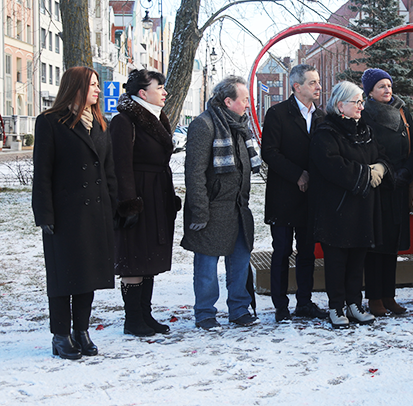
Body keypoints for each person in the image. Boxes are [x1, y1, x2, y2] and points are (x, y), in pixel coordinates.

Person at [32, 66, 117, 359]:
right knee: (62, 276)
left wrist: (114, 207)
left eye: (98, 85)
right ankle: (60, 335)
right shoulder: (51, 122)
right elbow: (41, 173)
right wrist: (44, 214)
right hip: (65, 213)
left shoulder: (99, 124)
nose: (97, 90)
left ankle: (81, 330)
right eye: (92, 85)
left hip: (96, 211)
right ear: (76, 88)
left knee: (88, 275)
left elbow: (109, 172)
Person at [182, 76, 261, 330]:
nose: (248, 104)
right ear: (229, 101)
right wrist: (200, 212)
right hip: (213, 208)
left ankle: (239, 309)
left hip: (237, 208)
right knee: (206, 266)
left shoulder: (239, 127)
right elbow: (194, 173)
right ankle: (205, 313)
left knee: (239, 262)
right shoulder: (204, 125)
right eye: (244, 99)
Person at [109, 69, 181, 337]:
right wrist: (128, 203)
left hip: (156, 194)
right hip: (137, 196)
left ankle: (145, 314)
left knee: (148, 258)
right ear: (142, 93)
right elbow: (120, 164)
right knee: (133, 258)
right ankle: (133, 319)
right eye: (159, 87)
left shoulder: (156, 117)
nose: (164, 92)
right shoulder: (124, 121)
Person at [309, 81, 386, 328]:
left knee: (357, 259)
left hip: (364, 206)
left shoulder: (365, 129)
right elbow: (332, 166)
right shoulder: (326, 131)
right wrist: (365, 174)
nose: (361, 107)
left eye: (362, 101)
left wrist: (381, 168)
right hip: (338, 209)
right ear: (341, 105)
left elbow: (379, 153)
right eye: (357, 102)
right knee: (337, 261)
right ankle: (336, 306)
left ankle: (354, 303)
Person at [261, 64, 329, 322]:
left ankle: (304, 302)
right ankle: (280, 306)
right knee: (281, 251)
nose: (318, 87)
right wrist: (297, 174)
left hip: (311, 198)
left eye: (318, 82)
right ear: (296, 86)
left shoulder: (322, 117)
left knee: (307, 252)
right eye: (313, 82)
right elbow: (270, 152)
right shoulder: (278, 114)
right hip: (284, 195)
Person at [360, 68, 413, 316]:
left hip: (399, 187)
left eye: (389, 85)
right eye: (381, 86)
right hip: (377, 187)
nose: (387, 90)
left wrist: (407, 171)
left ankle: (389, 295)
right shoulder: (365, 114)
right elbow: (367, 148)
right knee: (376, 245)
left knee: (392, 245)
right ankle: (374, 297)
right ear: (370, 91)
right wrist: (386, 172)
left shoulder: (402, 111)